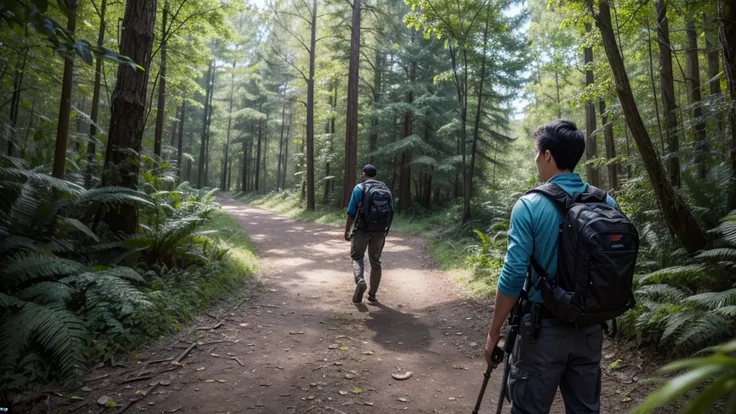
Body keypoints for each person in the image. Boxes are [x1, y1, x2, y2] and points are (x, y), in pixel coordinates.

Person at [484, 120, 618, 413]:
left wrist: (494, 331)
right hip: (590, 328)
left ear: (547, 156)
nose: (535, 160)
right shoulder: (606, 202)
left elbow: (513, 275)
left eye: (536, 153)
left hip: (541, 332)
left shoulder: (530, 204)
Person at [344, 164, 394, 304]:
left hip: (362, 229)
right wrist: (384, 231)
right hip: (379, 231)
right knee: (375, 261)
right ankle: (372, 295)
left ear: (363, 174)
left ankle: (360, 280)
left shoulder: (360, 188)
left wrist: (347, 231)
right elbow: (391, 211)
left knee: (357, 257)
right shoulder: (385, 189)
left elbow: (351, 213)